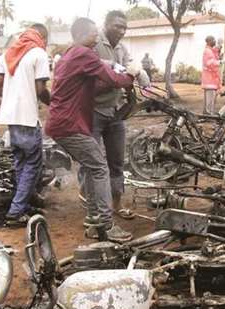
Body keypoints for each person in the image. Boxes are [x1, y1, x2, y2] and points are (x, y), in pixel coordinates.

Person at [45, 17, 137, 242]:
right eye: (95, 33)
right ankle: (106, 224)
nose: (97, 36)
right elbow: (114, 80)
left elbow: (96, 83)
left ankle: (95, 220)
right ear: (84, 34)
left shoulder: (69, 54)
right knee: (100, 169)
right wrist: (132, 74)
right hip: (70, 125)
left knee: (93, 167)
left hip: (62, 123)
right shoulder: (84, 54)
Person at [0, 23, 51, 225]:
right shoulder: (39, 53)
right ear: (42, 37)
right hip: (27, 117)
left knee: (21, 163)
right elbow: (41, 90)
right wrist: (56, 104)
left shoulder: (7, 55)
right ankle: (15, 212)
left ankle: (24, 202)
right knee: (33, 164)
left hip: (11, 119)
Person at [80, 10, 137, 221]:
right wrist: (117, 76)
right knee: (93, 163)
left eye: (124, 28)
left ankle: (116, 204)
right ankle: (93, 210)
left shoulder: (122, 48)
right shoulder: (93, 43)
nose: (121, 31)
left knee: (117, 162)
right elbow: (87, 77)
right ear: (106, 24)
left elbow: (129, 72)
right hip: (93, 112)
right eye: (117, 26)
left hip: (115, 113)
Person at [202, 35, 221, 115]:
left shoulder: (209, 50)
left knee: (210, 99)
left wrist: (219, 49)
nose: (215, 41)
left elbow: (215, 54)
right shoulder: (207, 51)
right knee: (210, 99)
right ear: (209, 41)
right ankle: (209, 114)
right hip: (209, 80)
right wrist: (220, 62)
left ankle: (208, 113)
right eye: (213, 40)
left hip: (211, 79)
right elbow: (210, 63)